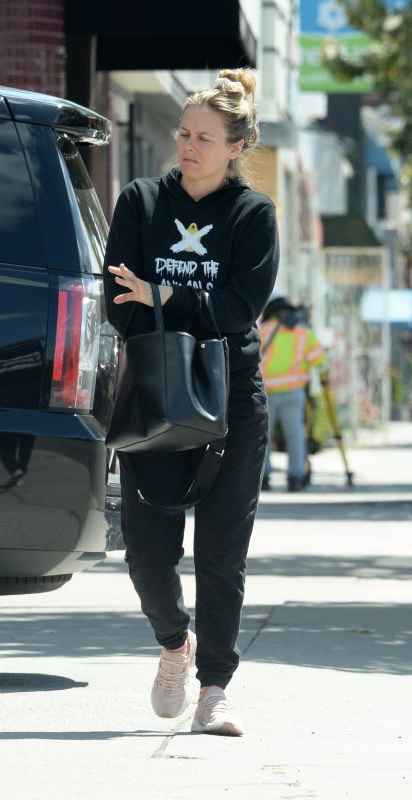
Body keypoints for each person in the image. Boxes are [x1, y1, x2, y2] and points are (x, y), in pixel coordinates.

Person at [103, 68, 279, 736]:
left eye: (203, 136)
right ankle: (174, 642)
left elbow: (240, 310)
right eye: (182, 132)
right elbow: (117, 300)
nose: (187, 145)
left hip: (231, 400)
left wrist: (165, 298)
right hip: (153, 396)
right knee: (146, 548)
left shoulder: (251, 216)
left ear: (235, 145)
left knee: (220, 554)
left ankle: (214, 689)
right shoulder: (143, 203)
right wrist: (156, 307)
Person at [260, 296, 326, 492]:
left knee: (263, 436)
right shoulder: (303, 332)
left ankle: (263, 477)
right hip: (293, 391)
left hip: (266, 391)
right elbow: (319, 360)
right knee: (295, 435)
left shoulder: (264, 331)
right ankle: (295, 476)